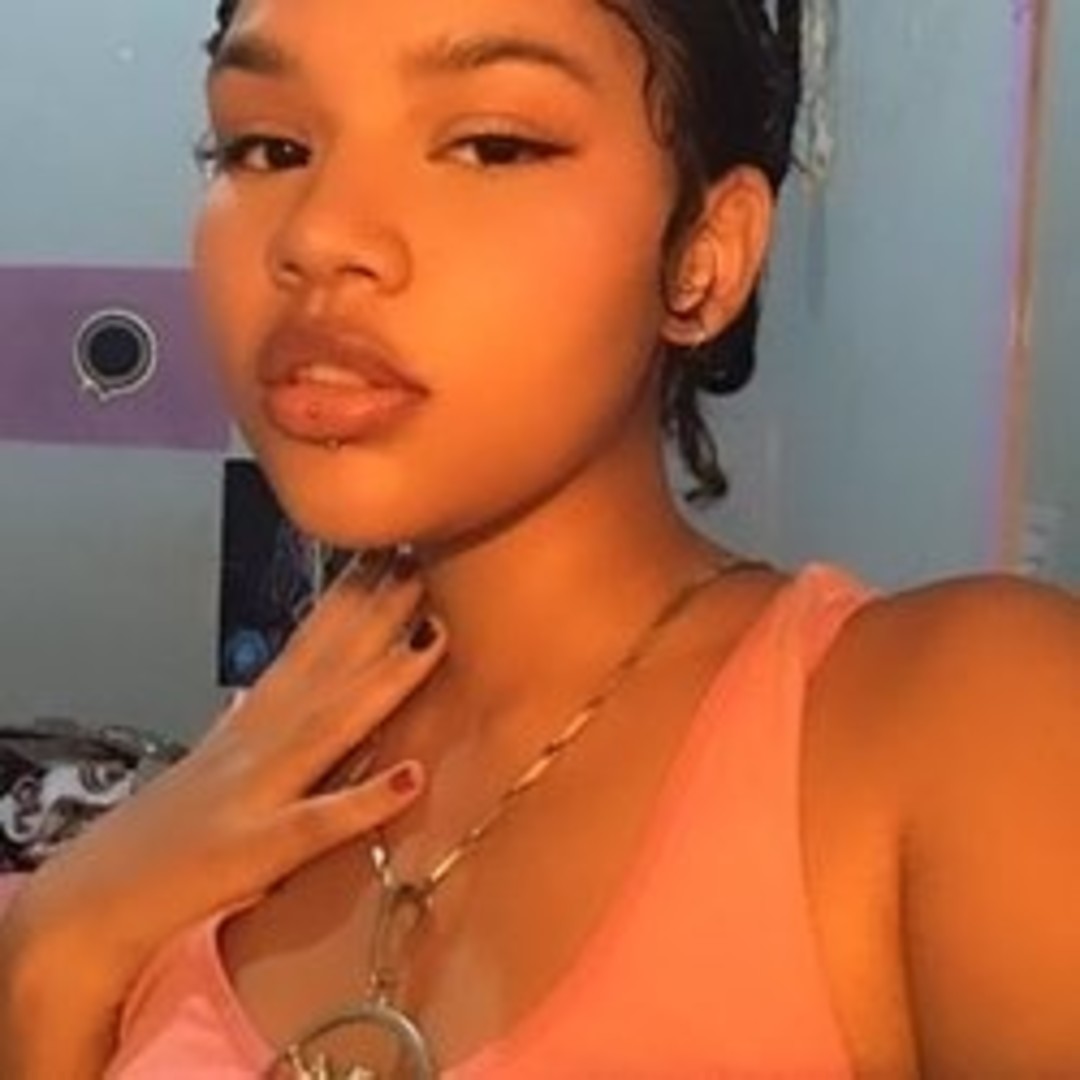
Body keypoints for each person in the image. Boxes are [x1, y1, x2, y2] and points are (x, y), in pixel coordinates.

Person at [2, 0, 1079, 1076]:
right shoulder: (264, 757)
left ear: (704, 254)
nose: (317, 235)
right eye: (268, 147)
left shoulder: (972, 726)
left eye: (492, 145)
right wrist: (57, 950)